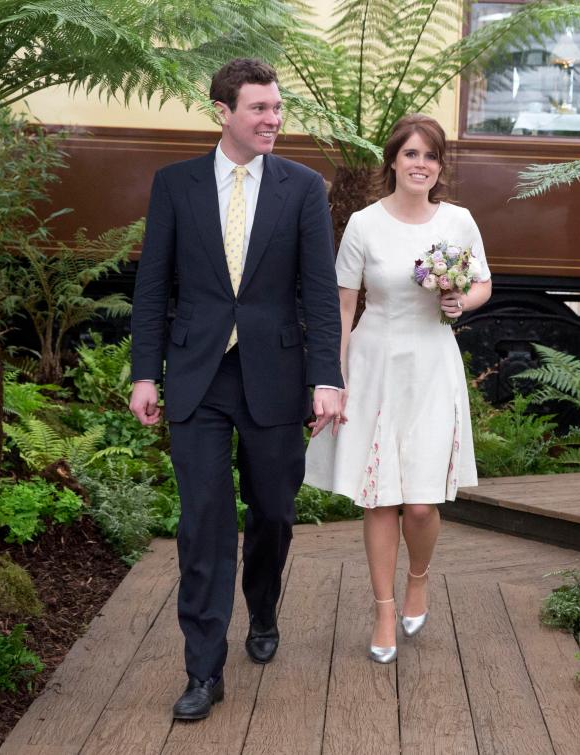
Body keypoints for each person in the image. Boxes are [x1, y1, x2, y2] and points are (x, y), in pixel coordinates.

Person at [129, 58, 343, 720]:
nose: (273, 119)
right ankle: (203, 669)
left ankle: (266, 600)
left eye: (278, 109)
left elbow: (318, 292)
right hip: (198, 377)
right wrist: (145, 371)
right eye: (259, 109)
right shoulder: (175, 185)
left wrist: (327, 376)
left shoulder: (304, 188)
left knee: (273, 512)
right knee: (204, 525)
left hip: (276, 377)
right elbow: (152, 285)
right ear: (222, 111)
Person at [304, 113, 491, 663]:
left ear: (439, 167)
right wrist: (332, 378)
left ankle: (419, 577)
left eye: (430, 156)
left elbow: (481, 282)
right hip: (375, 360)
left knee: (419, 504)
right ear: (393, 160)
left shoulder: (458, 221)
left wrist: (462, 301)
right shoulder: (364, 224)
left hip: (432, 362)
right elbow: (342, 306)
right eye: (411, 154)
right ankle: (384, 607)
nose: (421, 165)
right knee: (379, 497)